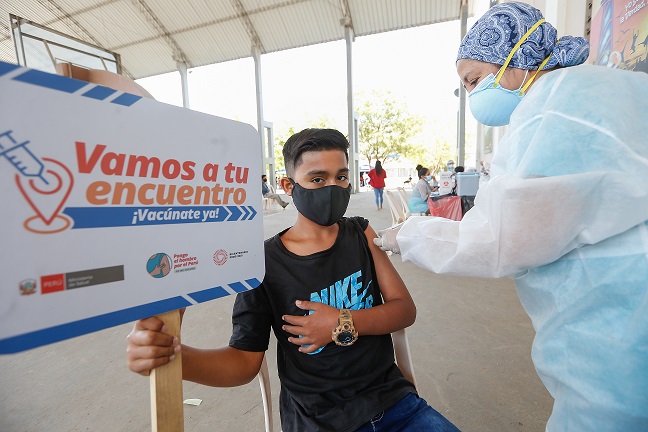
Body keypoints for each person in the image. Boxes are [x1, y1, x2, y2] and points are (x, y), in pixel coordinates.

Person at [374, 2, 648, 431]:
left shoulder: (550, 111)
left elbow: (504, 236)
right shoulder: (610, 87)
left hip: (622, 317)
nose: (472, 94)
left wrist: (407, 235)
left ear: (515, 59)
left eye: (474, 80)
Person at [127, 128, 460, 432]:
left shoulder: (360, 232)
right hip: (318, 421)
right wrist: (174, 359)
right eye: (317, 179)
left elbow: (404, 310)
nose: (333, 188)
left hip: (393, 403)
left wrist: (342, 321)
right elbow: (244, 361)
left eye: (341, 177)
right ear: (289, 186)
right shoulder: (262, 264)